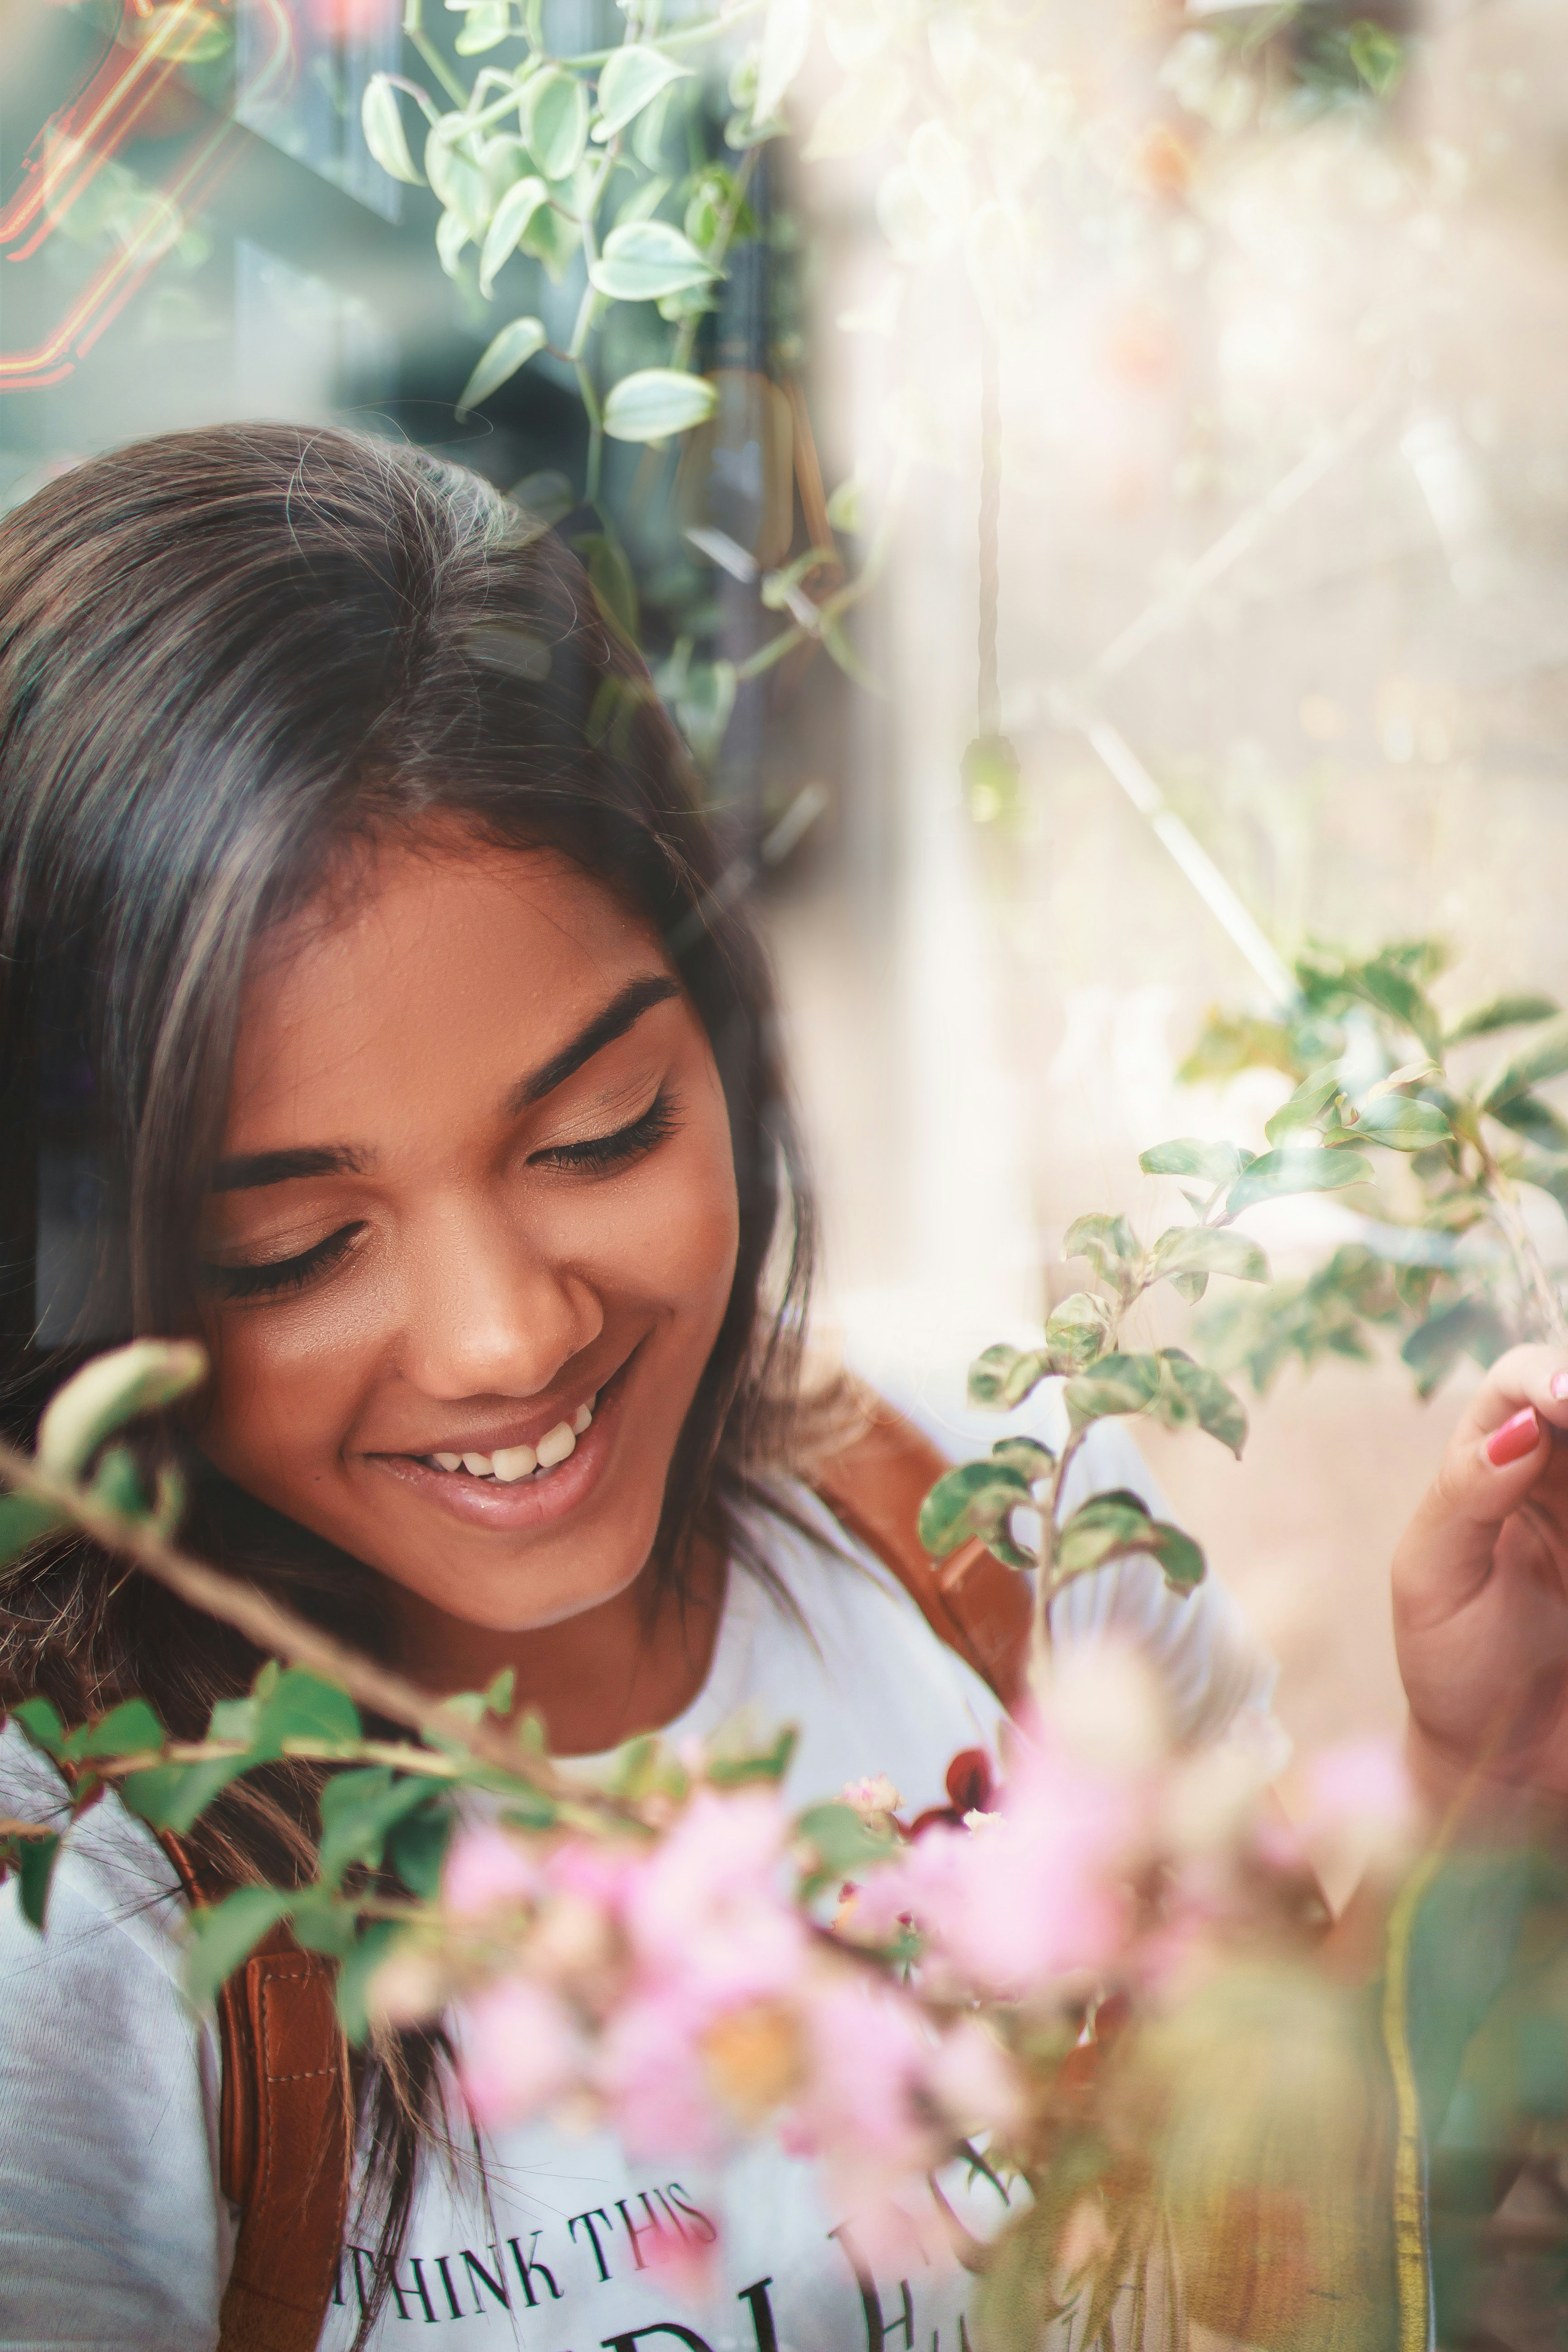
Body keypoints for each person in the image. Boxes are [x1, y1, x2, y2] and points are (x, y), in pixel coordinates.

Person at [0, 424, 1557, 2352]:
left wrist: (1486, 1775)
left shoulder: (991, 1523)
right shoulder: (75, 1909)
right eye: (295, 1249)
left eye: (599, 1131)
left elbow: (1271, 2244)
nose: (505, 1339)